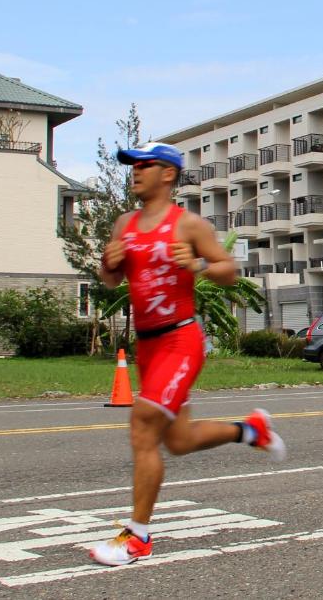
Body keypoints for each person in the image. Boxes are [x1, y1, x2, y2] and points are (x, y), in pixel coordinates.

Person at [89, 142, 286, 567]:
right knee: (178, 440)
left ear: (168, 174)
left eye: (144, 166)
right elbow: (109, 281)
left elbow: (229, 272)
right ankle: (250, 430)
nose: (135, 172)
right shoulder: (124, 223)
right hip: (148, 346)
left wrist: (196, 265)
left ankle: (138, 537)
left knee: (143, 423)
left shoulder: (189, 226)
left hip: (181, 341)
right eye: (132, 166)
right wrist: (108, 263)